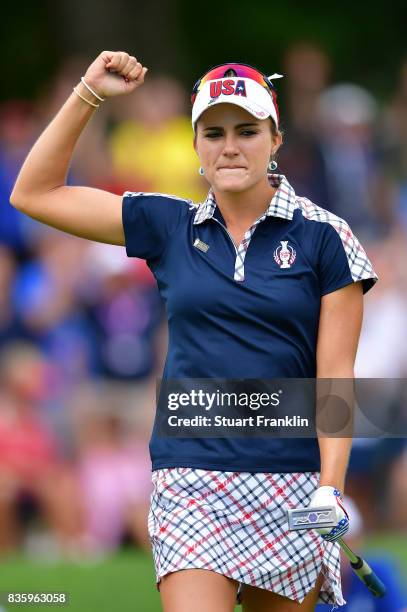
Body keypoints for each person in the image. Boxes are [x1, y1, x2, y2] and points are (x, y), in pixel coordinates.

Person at [10, 51, 378, 611]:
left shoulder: (326, 237)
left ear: (275, 139)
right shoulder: (169, 225)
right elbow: (34, 193)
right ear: (196, 145)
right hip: (190, 483)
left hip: (291, 482)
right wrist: (89, 92)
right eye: (214, 132)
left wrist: (330, 485)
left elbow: (335, 376)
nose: (230, 146)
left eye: (247, 131)